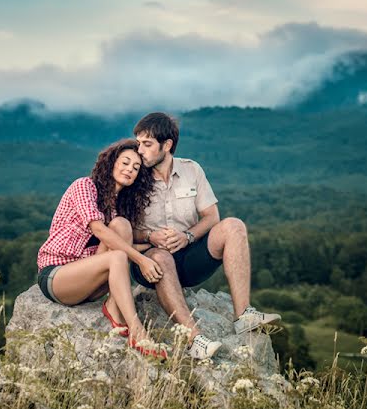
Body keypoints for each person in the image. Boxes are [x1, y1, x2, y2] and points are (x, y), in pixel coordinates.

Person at [35, 139, 219, 360]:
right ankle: (138, 332)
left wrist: (157, 243)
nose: (129, 170)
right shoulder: (85, 186)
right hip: (58, 276)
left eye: (135, 167)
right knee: (118, 255)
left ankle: (113, 306)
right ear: (111, 162)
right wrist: (142, 260)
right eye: (124, 162)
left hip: (90, 283)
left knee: (121, 226)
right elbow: (100, 231)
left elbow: (123, 242)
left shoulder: (118, 207)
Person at [131, 112, 279, 355]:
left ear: (166, 145)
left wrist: (187, 236)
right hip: (149, 261)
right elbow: (121, 229)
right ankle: (194, 340)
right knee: (161, 257)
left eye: (147, 144)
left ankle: (243, 315)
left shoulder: (192, 170)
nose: (140, 150)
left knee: (234, 225)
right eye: (138, 143)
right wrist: (150, 236)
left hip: (188, 257)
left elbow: (212, 217)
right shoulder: (134, 175)